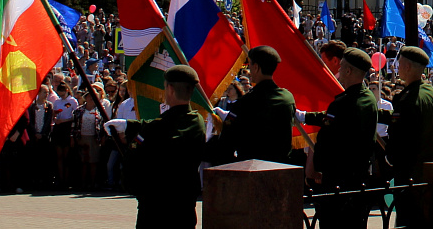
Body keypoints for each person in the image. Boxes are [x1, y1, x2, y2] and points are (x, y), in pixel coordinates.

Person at [106, 65, 207, 229]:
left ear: (171, 89)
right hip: (184, 204)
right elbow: (164, 124)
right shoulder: (197, 121)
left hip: (155, 206)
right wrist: (128, 125)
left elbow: (134, 160)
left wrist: (135, 189)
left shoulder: (156, 129)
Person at [303, 48, 379, 229]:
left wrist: (316, 167)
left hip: (339, 179)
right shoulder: (367, 98)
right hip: (357, 176)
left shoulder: (343, 103)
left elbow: (329, 140)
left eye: (342, 66)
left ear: (349, 71)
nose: (338, 71)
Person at [383, 45, 433, 229]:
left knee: (408, 220)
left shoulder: (408, 99)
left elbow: (401, 136)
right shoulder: (431, 94)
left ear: (407, 67)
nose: (397, 68)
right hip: (427, 169)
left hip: (408, 172)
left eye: (400, 64)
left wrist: (390, 156)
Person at [209, 45, 297, 165]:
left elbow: (227, 144)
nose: (249, 68)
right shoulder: (287, 98)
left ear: (256, 67)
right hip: (281, 169)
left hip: (252, 170)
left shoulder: (245, 103)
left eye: (250, 64)